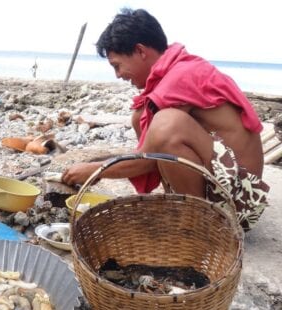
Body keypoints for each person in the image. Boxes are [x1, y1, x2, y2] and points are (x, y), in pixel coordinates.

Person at [61, 8, 269, 231]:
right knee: (142, 117)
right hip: (226, 183)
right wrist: (100, 163)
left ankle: (198, 226)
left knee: (166, 124)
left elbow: (148, 159)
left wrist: (96, 170)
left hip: (240, 200)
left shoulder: (182, 75)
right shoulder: (175, 72)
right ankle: (185, 208)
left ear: (140, 51)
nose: (118, 75)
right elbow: (149, 152)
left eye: (117, 65)